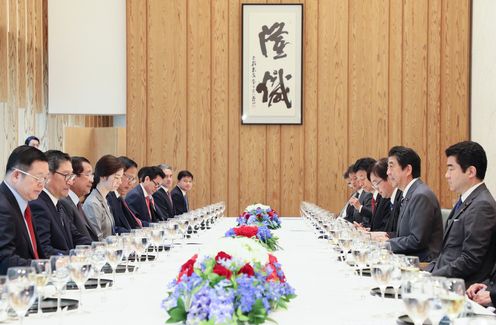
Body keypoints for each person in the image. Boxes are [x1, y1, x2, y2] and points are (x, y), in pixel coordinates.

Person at [427, 141, 496, 286]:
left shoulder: (482, 205)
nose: (446, 175)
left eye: (451, 169)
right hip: (442, 278)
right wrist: (426, 273)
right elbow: (446, 252)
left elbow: (470, 259)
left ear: (471, 172)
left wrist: (431, 277)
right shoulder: (467, 200)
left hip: (460, 288)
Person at [30, 150, 91, 256]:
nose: (70, 182)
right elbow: (44, 250)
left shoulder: (59, 203)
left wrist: (96, 249)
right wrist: (76, 256)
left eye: (71, 176)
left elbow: (76, 236)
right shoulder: (38, 205)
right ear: (47, 175)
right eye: (66, 175)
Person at [386, 146, 443, 262]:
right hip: (407, 258)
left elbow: (417, 240)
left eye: (391, 166)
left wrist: (385, 244)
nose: (388, 172)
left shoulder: (420, 195)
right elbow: (404, 234)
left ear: (408, 170)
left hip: (422, 263)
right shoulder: (409, 194)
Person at [0, 146, 48, 274]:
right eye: (38, 178)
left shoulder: (22, 202)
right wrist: (47, 266)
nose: (42, 185)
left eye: (45, 179)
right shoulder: (2, 207)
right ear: (16, 176)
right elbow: (4, 261)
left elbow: (35, 253)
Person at [83, 155, 123, 240]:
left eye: (121, 178)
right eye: (116, 177)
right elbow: (96, 238)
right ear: (103, 176)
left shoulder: (105, 199)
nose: (120, 182)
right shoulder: (93, 203)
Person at [60, 156, 99, 241]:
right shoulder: (64, 203)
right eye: (87, 175)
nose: (92, 180)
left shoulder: (76, 202)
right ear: (73, 177)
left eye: (91, 175)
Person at [107, 156, 143, 232]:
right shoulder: (109, 198)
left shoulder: (119, 197)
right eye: (129, 178)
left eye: (133, 179)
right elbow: (113, 228)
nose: (130, 183)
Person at [346, 158, 374, 227]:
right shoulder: (355, 194)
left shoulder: (370, 194)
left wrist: (360, 207)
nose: (361, 184)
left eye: (363, 179)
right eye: (359, 180)